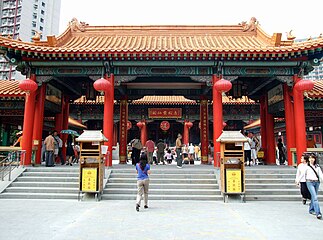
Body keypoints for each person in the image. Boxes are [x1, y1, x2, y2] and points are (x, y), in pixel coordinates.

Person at [299, 154, 323, 219]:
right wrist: (298, 180)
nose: (311, 159)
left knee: (313, 196)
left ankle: (311, 209)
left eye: (313, 158)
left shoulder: (317, 167)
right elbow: (302, 174)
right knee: (315, 197)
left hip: (317, 182)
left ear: (315, 159)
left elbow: (320, 175)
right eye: (310, 158)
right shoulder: (307, 167)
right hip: (309, 182)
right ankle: (318, 213)